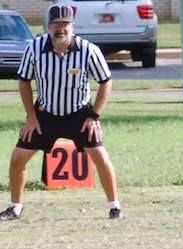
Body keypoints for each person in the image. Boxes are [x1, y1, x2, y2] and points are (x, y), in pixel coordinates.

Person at [0, 4, 123, 221]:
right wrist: (31, 116)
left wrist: (94, 116)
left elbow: (106, 82)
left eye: (65, 24)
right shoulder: (34, 49)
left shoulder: (88, 50)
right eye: (56, 24)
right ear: (49, 26)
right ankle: (15, 207)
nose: (60, 29)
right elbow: (24, 81)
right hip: (45, 115)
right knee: (18, 157)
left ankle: (115, 207)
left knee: (100, 156)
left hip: (79, 115)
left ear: (72, 26)